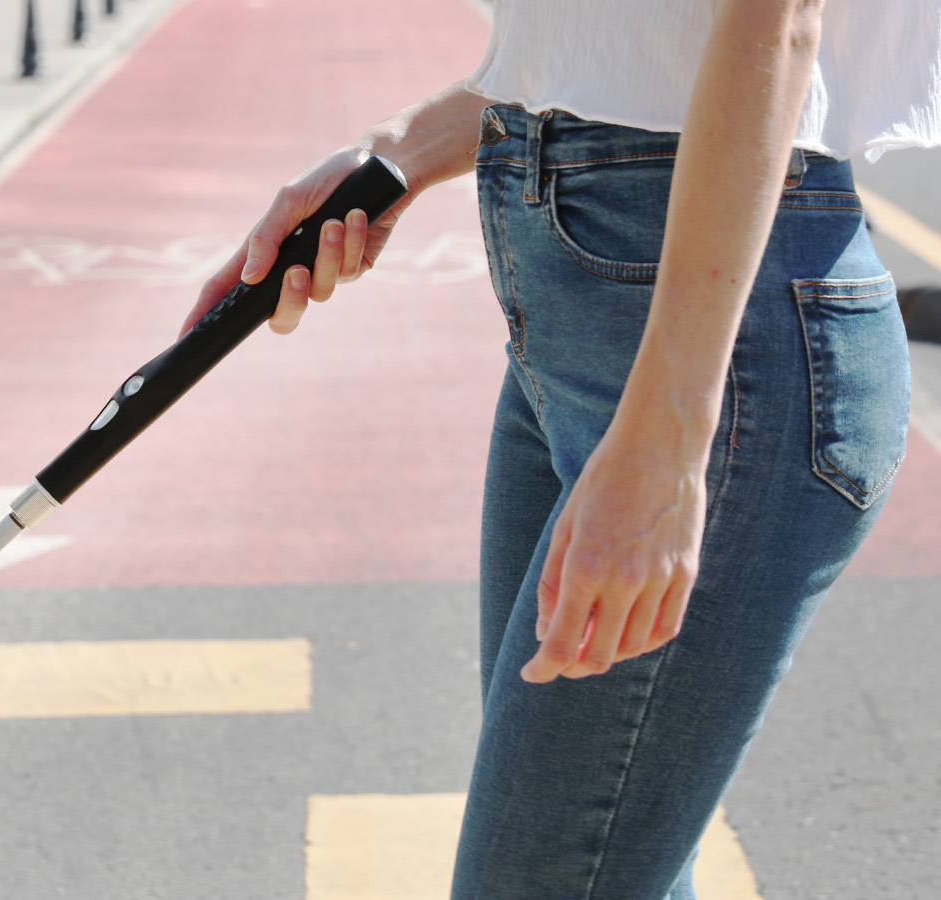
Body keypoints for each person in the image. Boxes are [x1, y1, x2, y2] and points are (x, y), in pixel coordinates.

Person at [182, 1, 939, 897]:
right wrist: (394, 155)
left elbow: (769, 25)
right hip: (578, 308)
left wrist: (670, 438)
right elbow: (615, 48)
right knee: (610, 860)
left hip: (714, 348)